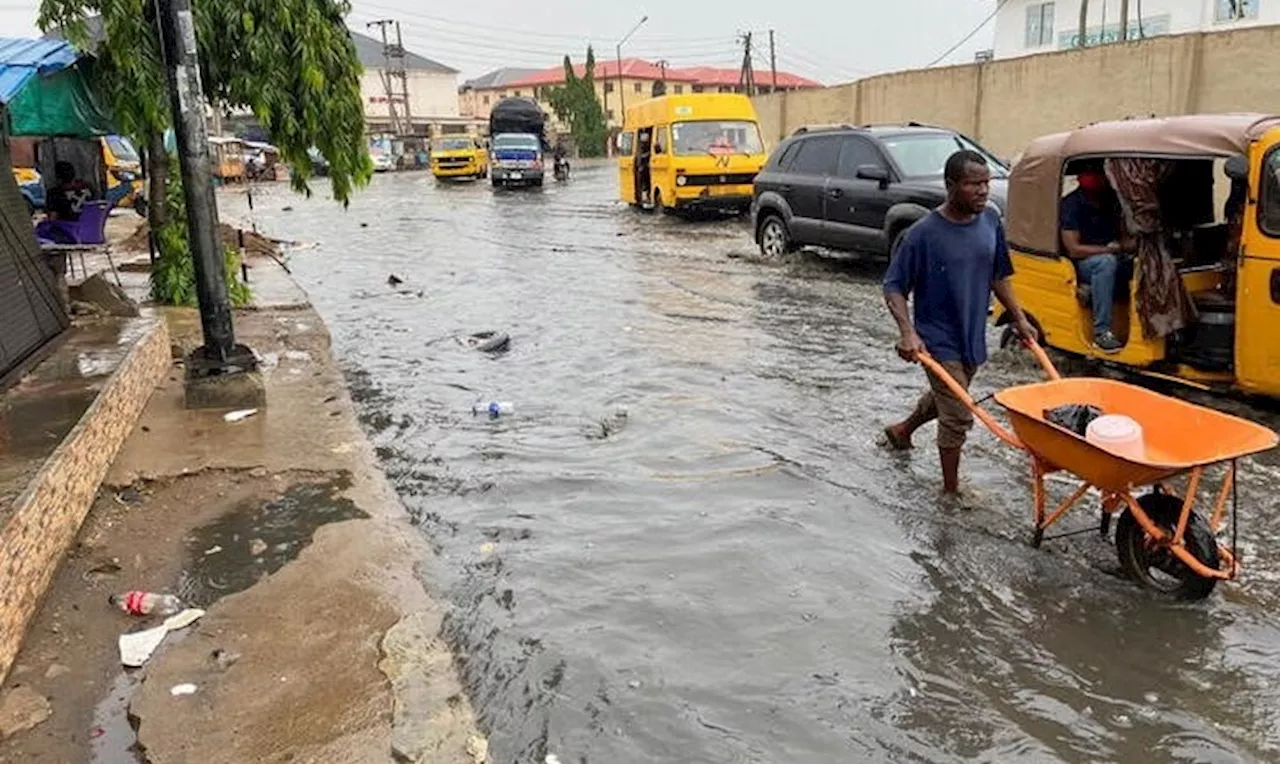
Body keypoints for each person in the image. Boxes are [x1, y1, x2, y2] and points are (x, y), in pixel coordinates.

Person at [883, 149, 1035, 496]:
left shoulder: (990, 220)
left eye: (986, 183)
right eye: (973, 184)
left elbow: (999, 276)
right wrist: (908, 333)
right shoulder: (923, 234)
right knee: (959, 415)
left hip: (971, 335)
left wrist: (1020, 319)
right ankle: (950, 493)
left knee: (953, 394)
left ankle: (902, 431)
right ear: (951, 186)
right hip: (936, 339)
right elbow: (893, 286)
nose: (982, 191)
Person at [1060, 166, 1132, 353]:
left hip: (1112, 257)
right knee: (1105, 263)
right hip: (1082, 264)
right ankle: (1102, 332)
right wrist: (1108, 250)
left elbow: (1124, 237)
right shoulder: (1071, 205)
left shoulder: (1112, 202)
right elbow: (1074, 249)